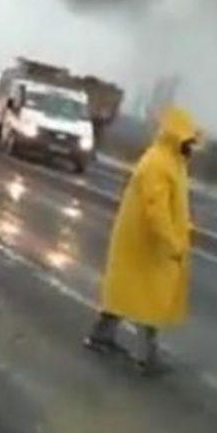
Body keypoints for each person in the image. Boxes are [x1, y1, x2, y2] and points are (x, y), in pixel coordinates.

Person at [84, 106, 201, 375]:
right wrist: (171, 241)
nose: (191, 147)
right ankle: (148, 357)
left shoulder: (172, 163)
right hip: (146, 245)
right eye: (188, 142)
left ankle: (101, 337)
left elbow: (175, 206)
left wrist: (185, 228)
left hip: (146, 245)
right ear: (176, 139)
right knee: (151, 300)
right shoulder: (159, 164)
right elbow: (156, 210)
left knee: (128, 292)